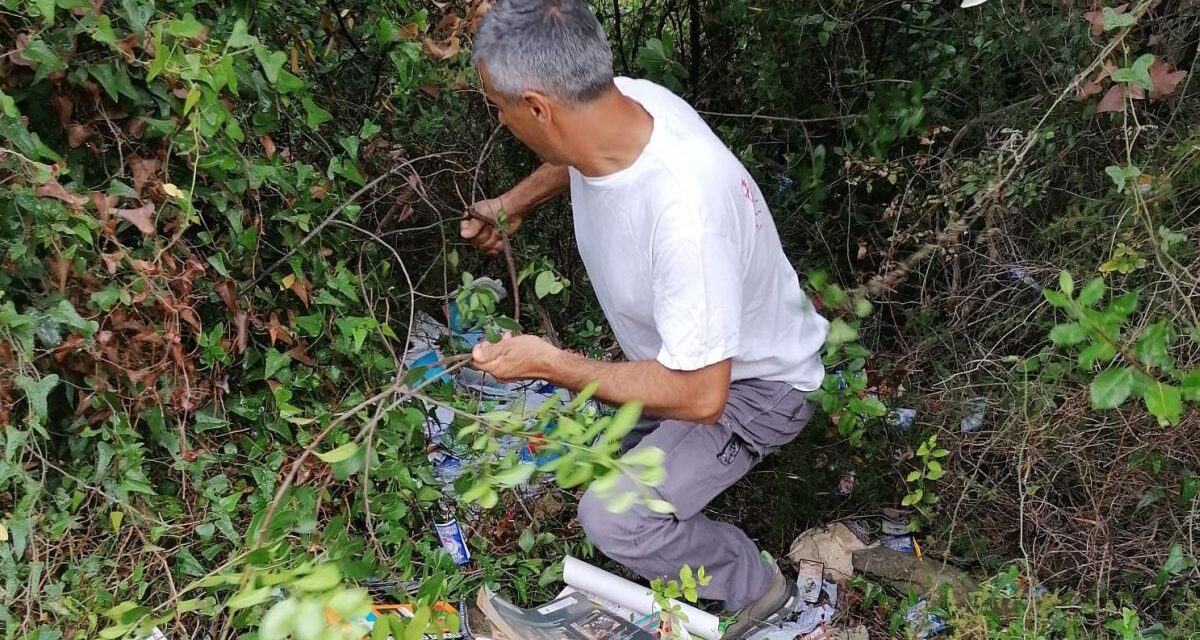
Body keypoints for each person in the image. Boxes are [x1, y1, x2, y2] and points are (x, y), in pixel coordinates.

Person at [462, 1, 830, 637]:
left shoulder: (686, 213)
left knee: (614, 517)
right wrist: (511, 203)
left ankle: (757, 587)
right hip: (697, 360)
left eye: (500, 107)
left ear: (538, 107)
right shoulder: (621, 101)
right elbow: (572, 153)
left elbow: (700, 394)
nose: (500, 119)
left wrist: (550, 363)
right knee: (587, 453)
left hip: (752, 388)